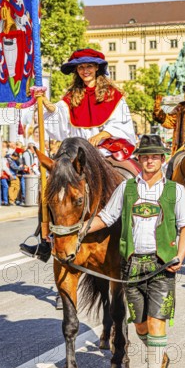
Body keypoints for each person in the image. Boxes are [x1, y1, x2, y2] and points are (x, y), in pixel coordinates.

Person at [83, 135, 185, 368]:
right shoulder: (127, 188)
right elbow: (107, 218)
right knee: (141, 326)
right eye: (145, 156)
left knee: (156, 323)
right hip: (132, 265)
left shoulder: (175, 191)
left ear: (162, 160)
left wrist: (180, 254)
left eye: (154, 156)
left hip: (162, 265)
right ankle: (160, 356)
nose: (149, 160)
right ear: (139, 159)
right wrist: (77, 231)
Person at [20, 47, 136, 260]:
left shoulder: (114, 95)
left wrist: (102, 134)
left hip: (106, 149)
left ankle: (136, 232)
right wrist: (45, 103)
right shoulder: (72, 96)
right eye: (81, 67)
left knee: (132, 175)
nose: (85, 71)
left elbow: (123, 123)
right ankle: (44, 238)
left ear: (97, 68)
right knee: (50, 186)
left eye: (89, 66)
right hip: (77, 153)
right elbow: (60, 118)